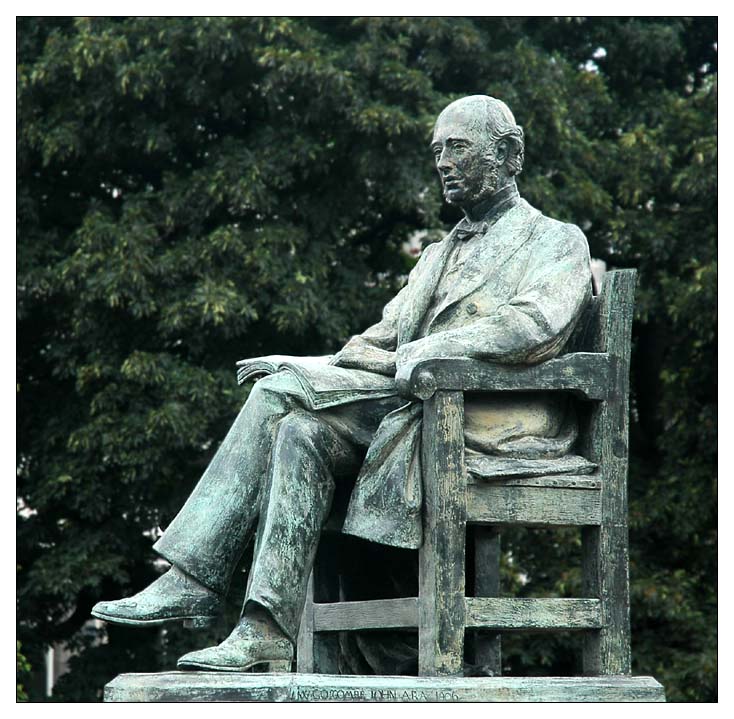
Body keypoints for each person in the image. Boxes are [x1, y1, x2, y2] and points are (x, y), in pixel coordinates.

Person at [92, 95, 592, 672]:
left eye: (456, 147)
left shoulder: (555, 239)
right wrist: (310, 362)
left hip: (490, 417)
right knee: (299, 430)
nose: (443, 163)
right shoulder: (435, 255)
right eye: (437, 151)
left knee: (273, 394)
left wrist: (419, 353)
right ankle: (264, 630)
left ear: (507, 153)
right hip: (413, 404)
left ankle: (192, 579)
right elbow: (379, 339)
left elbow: (532, 326)